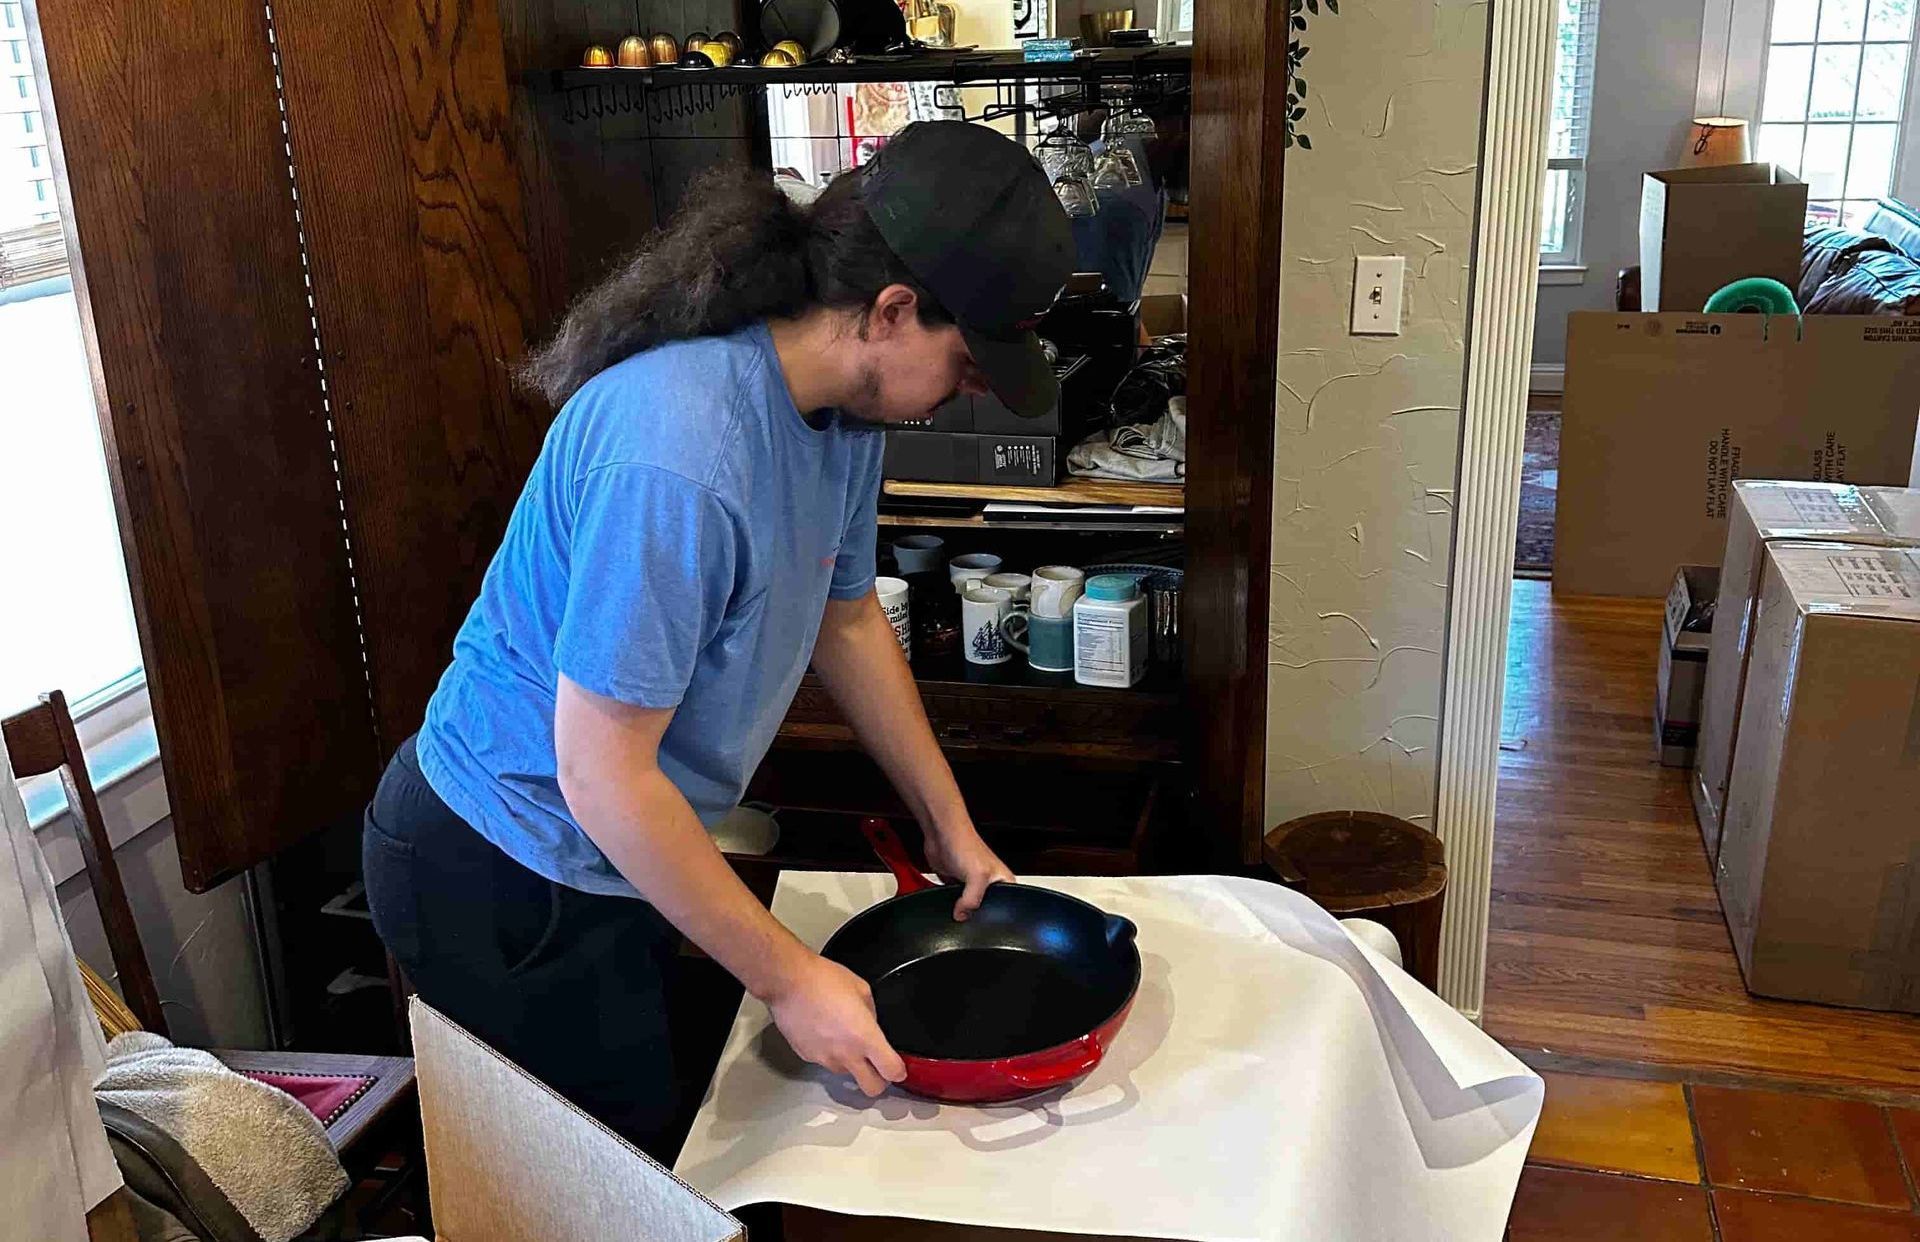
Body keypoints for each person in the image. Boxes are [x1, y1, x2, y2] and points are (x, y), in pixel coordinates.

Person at [359, 121, 1076, 1153]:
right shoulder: (680, 456)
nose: (967, 394)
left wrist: (947, 824)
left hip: (612, 847)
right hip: (502, 865)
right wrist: (790, 977)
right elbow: (600, 773)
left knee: (657, 1148)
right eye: (968, 365)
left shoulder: (841, 416)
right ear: (890, 310)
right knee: (594, 1200)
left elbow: (848, 615)